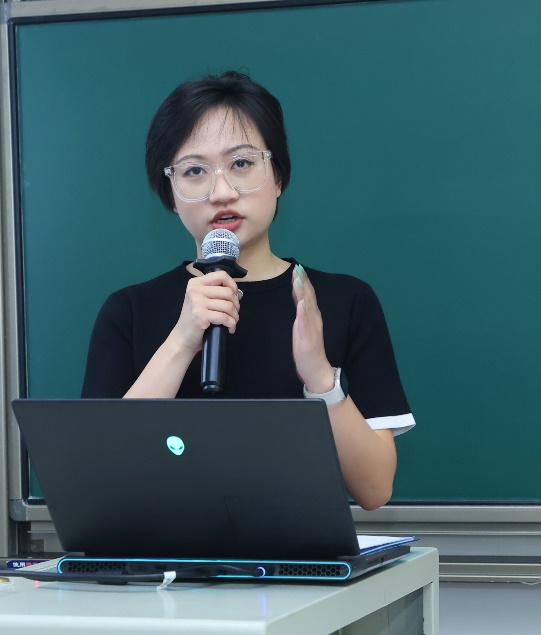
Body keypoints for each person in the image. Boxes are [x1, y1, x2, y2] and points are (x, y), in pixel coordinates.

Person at [80, 71, 412, 510]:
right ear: (171, 194)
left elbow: (374, 490)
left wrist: (320, 378)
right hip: (163, 551)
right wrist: (182, 341)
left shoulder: (343, 301)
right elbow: (97, 476)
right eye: (194, 171)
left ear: (278, 176)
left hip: (299, 549)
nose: (222, 192)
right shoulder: (129, 311)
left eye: (241, 164)